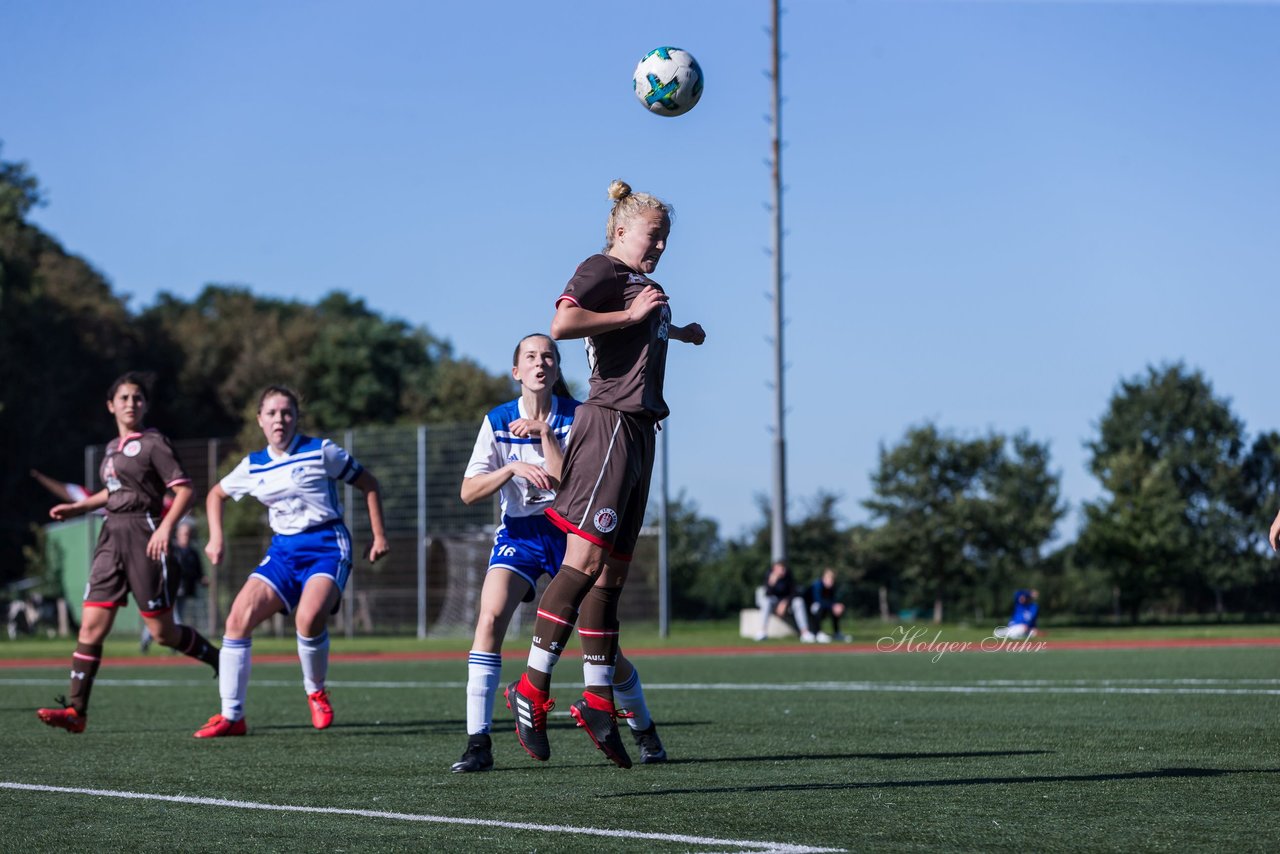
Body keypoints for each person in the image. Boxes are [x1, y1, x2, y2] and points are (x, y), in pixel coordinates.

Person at [506, 179, 705, 769]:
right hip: (609, 426)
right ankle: (532, 686)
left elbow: (636, 335)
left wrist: (677, 332)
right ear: (621, 230)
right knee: (583, 563)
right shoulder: (602, 267)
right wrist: (633, 312)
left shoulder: (645, 284)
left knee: (610, 578)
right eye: (653, 233)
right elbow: (563, 324)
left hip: (640, 432)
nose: (661, 244)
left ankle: (596, 697)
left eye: (666, 236)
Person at [452, 334, 667, 773]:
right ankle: (477, 742)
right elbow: (468, 491)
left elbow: (568, 484)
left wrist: (547, 434)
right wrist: (510, 467)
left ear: (557, 368)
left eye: (548, 356)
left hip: (572, 531)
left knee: (604, 645)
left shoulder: (581, 417)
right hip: (522, 534)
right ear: (516, 371)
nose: (539, 362)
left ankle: (645, 731)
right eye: (530, 357)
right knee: (490, 617)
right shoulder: (496, 420)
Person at [195, 385, 389, 738]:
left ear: (297, 418)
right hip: (283, 551)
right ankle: (232, 716)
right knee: (237, 619)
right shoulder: (253, 465)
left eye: (287, 412)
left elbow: (368, 483)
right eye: (271, 413)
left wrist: (379, 536)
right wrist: (216, 538)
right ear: (260, 420)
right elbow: (216, 495)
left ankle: (315, 691)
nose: (279, 419)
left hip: (327, 544)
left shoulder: (321, 451)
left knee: (308, 617)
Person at [36, 372, 221, 734]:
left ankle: (219, 658)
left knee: (162, 632)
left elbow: (184, 490)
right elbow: (112, 492)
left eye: (137, 398)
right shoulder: (110, 450)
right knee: (91, 624)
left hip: (145, 535)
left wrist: (166, 528)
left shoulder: (154, 443)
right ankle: (77, 712)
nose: (130, 404)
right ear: (111, 405)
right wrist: (78, 508)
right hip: (110, 538)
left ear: (145, 405)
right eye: (123, 398)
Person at [755, 561, 815, 643]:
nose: (783, 571)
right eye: (781, 569)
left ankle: (805, 633)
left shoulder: (788, 576)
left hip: (787, 602)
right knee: (766, 602)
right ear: (774, 569)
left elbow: (794, 593)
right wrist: (771, 583)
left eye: (784, 569)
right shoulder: (769, 575)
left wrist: (785, 602)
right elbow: (767, 594)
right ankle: (762, 631)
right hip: (773, 601)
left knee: (799, 601)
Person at [804, 568, 849, 643]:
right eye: (828, 579)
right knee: (818, 607)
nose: (831, 582)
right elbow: (818, 601)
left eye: (832, 579)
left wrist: (836, 606)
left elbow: (833, 600)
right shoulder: (817, 585)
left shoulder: (831, 587)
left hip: (823, 607)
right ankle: (817, 633)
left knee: (835, 609)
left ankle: (837, 633)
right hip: (808, 607)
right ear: (824, 578)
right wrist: (832, 606)